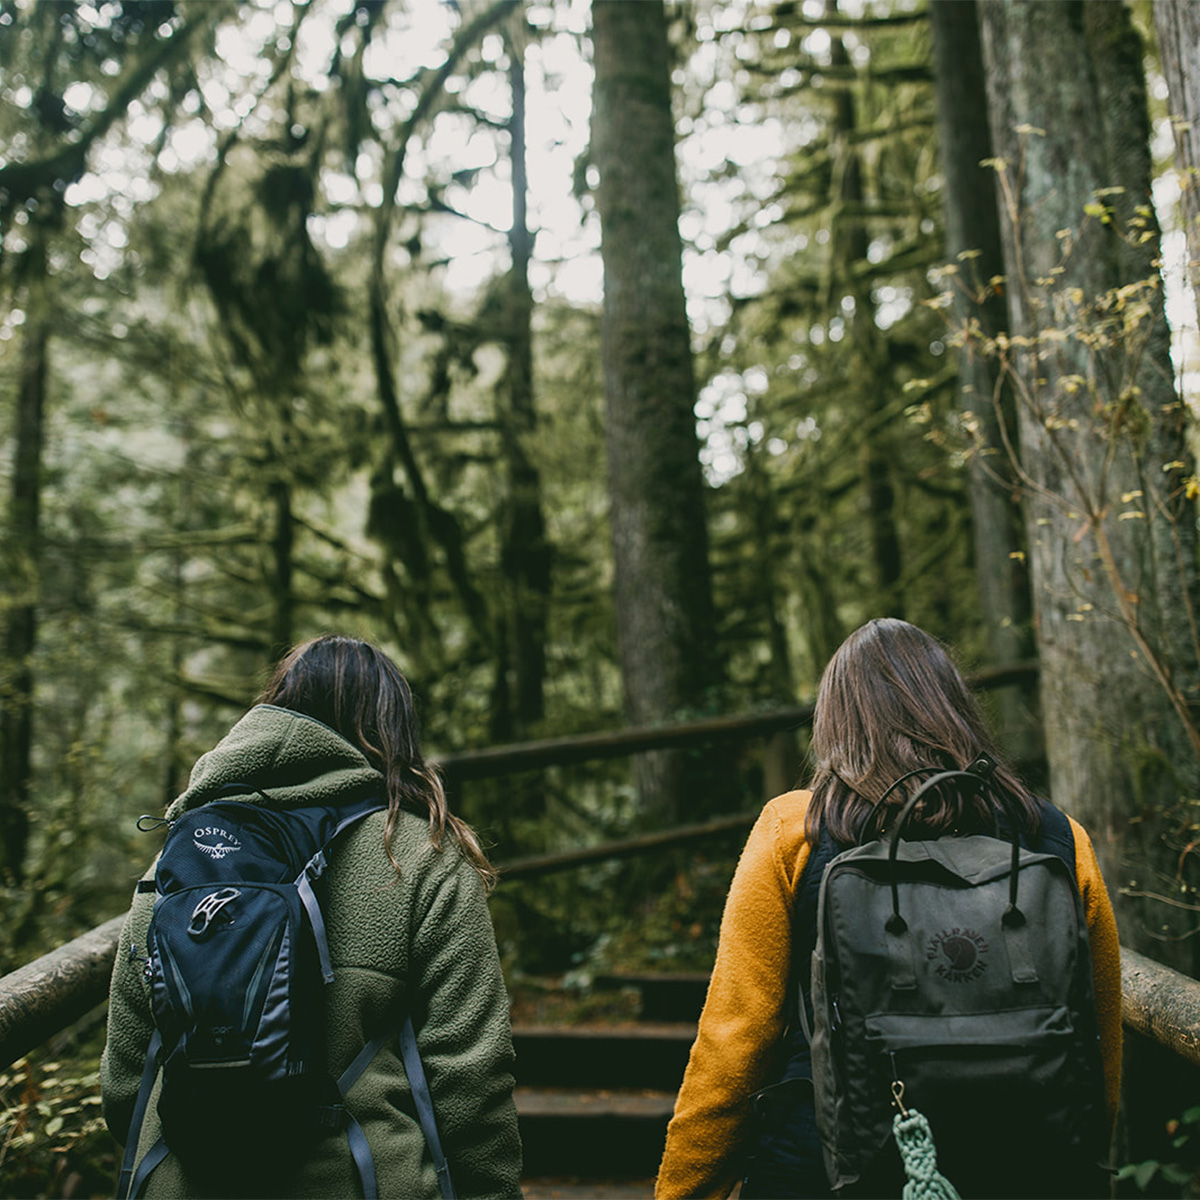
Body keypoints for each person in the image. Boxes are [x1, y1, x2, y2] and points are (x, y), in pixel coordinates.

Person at [655, 618, 1122, 1199]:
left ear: (835, 722)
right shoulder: (1057, 837)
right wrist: (1084, 1161)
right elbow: (1097, 1032)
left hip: (828, 1162)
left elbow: (734, 1041)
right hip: (1025, 1157)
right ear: (956, 707)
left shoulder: (796, 831)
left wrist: (683, 1190)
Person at [102, 635, 523, 1198]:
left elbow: (125, 1078)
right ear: (392, 731)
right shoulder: (422, 855)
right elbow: (470, 1071)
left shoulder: (186, 854)